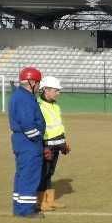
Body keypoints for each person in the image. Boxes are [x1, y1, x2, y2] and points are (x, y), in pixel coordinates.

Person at [8, 67, 45, 218]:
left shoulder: (20, 96)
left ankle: (19, 207)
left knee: (22, 174)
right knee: (29, 175)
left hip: (22, 141)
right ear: (31, 82)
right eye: (37, 83)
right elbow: (27, 123)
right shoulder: (24, 98)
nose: (38, 86)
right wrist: (38, 139)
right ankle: (25, 210)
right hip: (28, 142)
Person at [37, 76, 70, 210]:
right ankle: (40, 202)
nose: (58, 93)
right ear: (46, 90)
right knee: (43, 173)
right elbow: (39, 128)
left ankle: (50, 201)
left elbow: (57, 126)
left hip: (57, 144)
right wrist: (43, 146)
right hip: (46, 145)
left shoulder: (55, 106)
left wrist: (63, 143)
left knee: (50, 173)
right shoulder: (38, 106)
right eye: (56, 90)